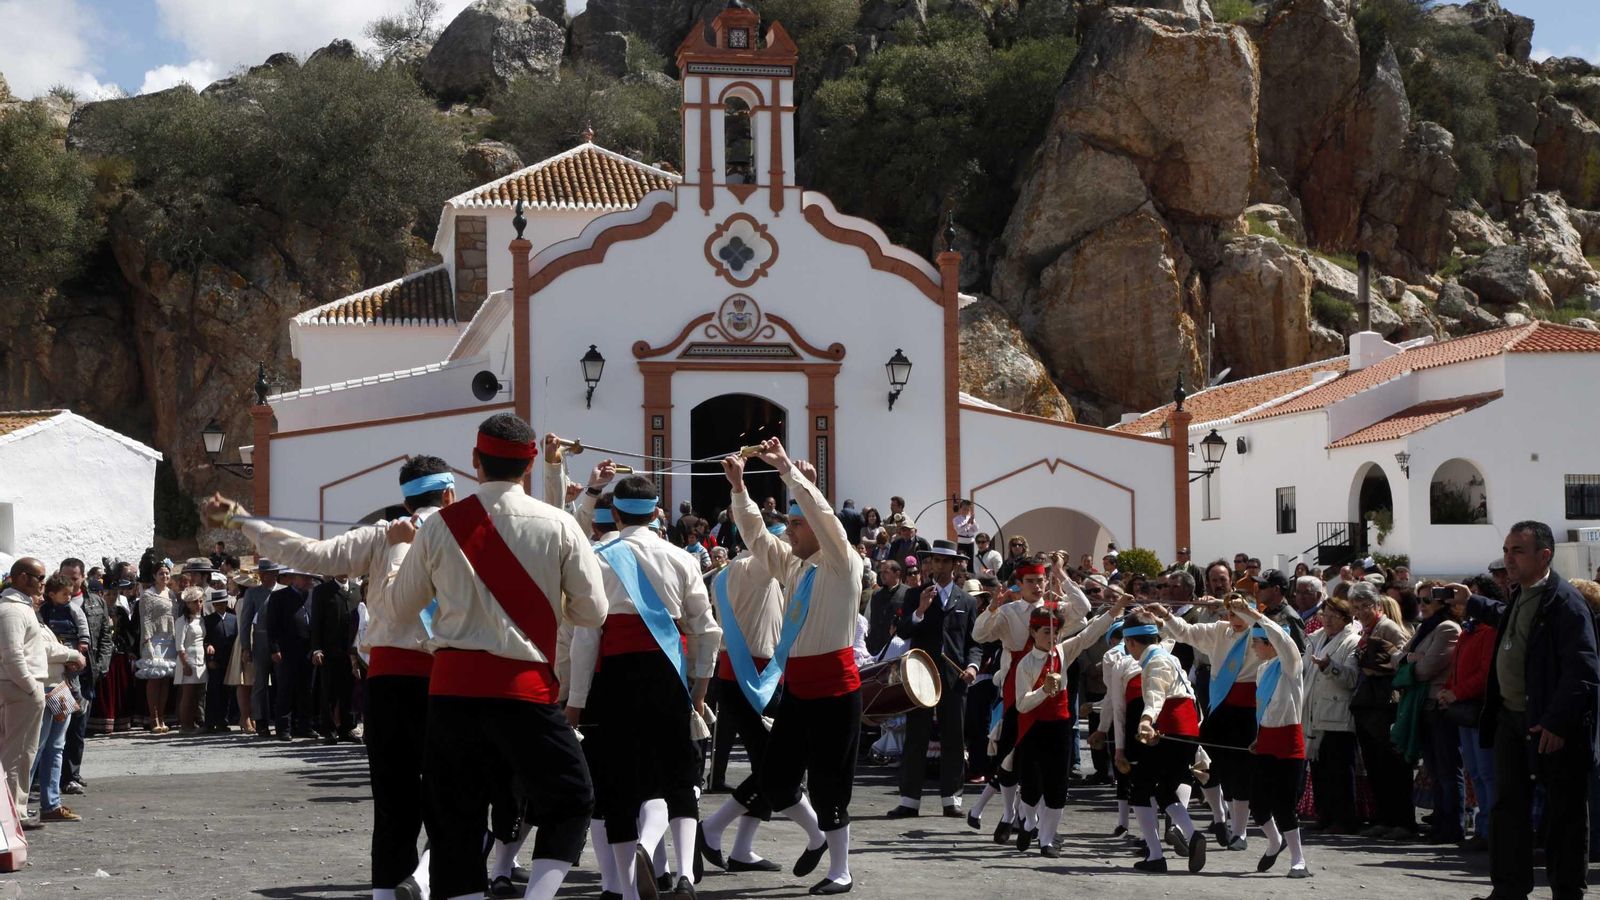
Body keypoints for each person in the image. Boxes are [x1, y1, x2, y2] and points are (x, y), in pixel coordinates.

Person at [208, 453, 459, 900]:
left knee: (392, 796)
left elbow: (308, 554)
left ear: (405, 502)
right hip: (452, 679)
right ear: (448, 494)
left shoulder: (383, 536)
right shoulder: (466, 533)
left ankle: (390, 890)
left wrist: (242, 520)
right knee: (456, 795)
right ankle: (426, 878)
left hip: (388, 678)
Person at [385, 413, 607, 900]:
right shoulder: (561, 524)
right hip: (524, 692)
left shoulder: (440, 527)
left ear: (474, 461)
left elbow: (400, 608)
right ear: (529, 467)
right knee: (571, 799)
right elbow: (593, 611)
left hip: (451, 693)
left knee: (454, 818)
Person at [565, 472, 720, 900]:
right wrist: (700, 688)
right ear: (656, 513)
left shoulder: (597, 556)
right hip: (668, 675)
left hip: (616, 677)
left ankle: (628, 891)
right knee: (678, 774)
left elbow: (586, 637)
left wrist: (575, 702)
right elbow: (706, 631)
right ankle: (686, 874)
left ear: (614, 514)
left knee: (618, 784)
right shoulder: (683, 558)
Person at [724, 439, 864, 896]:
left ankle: (840, 870)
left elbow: (827, 522)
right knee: (776, 778)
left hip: (836, 689)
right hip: (800, 689)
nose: (788, 533)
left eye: (795, 526)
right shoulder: (795, 564)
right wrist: (739, 489)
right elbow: (756, 537)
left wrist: (791, 474)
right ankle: (820, 839)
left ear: (814, 530)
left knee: (830, 782)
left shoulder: (843, 563)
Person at [1456, 521, 1600, 900]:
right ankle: (1508, 889)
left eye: (1517, 551)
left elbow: (1583, 669)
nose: (1509, 559)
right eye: (1506, 550)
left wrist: (1557, 722)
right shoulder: (1522, 594)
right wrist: (1469, 602)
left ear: (1545, 556)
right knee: (1508, 808)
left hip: (1551, 727)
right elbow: (1508, 620)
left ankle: (1567, 893)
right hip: (1512, 720)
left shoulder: (1565, 602)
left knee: (1564, 814)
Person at [702, 515, 790, 875]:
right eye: (785, 539)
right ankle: (714, 829)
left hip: (744, 672)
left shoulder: (729, 572)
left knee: (767, 764)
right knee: (777, 765)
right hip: (757, 675)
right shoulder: (757, 567)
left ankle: (741, 848)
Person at [1011, 592, 1128, 856]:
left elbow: (1089, 634)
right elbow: (1021, 704)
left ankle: (1047, 840)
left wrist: (1116, 608)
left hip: (1060, 727)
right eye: (1045, 633)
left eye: (1055, 633)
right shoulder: (1025, 665)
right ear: (1032, 632)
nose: (1051, 638)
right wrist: (1043, 690)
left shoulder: (1063, 651)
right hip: (1033, 729)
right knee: (1031, 788)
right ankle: (1028, 822)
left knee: (1057, 786)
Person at [1151, 593, 1262, 850]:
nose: (1234, 619)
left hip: (1247, 711)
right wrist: (1167, 615)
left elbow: (1276, 633)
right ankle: (1219, 817)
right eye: (1231, 613)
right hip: (1220, 707)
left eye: (1240, 612)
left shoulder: (1260, 632)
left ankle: (1240, 832)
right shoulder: (1219, 631)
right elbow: (1186, 633)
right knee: (1204, 765)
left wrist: (1253, 616)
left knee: (1240, 774)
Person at [890, 540, 982, 819]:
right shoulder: (914, 594)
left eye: (944, 561)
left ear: (955, 565)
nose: (938, 566)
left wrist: (974, 667)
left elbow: (974, 641)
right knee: (915, 735)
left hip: (954, 678)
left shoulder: (966, 601)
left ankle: (951, 799)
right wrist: (920, 610)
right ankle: (909, 800)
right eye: (934, 561)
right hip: (921, 675)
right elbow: (903, 632)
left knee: (954, 738)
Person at [1231, 599, 1312, 878]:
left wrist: (1254, 614)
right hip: (1266, 741)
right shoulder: (1263, 670)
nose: (1254, 647)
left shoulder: (1290, 665)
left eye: (1258, 642)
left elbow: (1284, 640)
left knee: (1284, 805)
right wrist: (1259, 736)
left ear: (1271, 643)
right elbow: (1266, 709)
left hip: (1289, 743)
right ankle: (1274, 841)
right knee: (1258, 803)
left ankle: (1298, 859)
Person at [0, 559, 84, 827]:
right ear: (23, 578)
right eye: (40, 577)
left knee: (25, 753)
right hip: (23, 688)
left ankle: (17, 810)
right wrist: (30, 686)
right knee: (19, 754)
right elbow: (12, 655)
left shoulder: (21, 608)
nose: (43, 583)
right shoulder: (12, 610)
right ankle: (14, 813)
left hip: (28, 687)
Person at [1123, 618, 1207, 874]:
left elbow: (1155, 696)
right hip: (1185, 729)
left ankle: (1156, 856)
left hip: (1171, 729)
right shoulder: (1169, 657)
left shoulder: (1156, 661)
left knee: (1139, 790)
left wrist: (1147, 720)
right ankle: (1192, 836)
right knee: (1165, 791)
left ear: (1130, 642)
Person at [1347, 581, 1413, 840]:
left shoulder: (1387, 627)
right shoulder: (1365, 629)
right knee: (1376, 766)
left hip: (1385, 704)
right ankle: (1385, 819)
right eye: (1356, 607)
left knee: (1392, 766)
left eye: (1366, 606)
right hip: (1368, 704)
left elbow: (1406, 654)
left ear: (1376, 605)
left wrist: (1385, 667)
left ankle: (1403, 822)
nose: (1361, 611)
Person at [1439, 575, 1499, 851]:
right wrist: (1449, 690)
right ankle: (1484, 828)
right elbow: (1458, 667)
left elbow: (1485, 673)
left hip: (1481, 709)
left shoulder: (1489, 630)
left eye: (1473, 595)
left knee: (1487, 773)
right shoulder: (1470, 629)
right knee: (1475, 771)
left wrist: (1457, 692)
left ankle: (1490, 830)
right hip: (1465, 710)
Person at [1407, 585, 1463, 843]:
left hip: (1439, 706)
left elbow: (1426, 669)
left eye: (1428, 599)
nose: (1422, 604)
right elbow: (1399, 657)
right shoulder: (1424, 627)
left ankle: (1452, 825)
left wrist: (1412, 660)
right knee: (1434, 768)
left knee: (1447, 769)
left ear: (1443, 602)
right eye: (1419, 599)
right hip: (1424, 705)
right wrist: (1412, 658)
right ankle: (1440, 821)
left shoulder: (1448, 628)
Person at [33, 572, 89, 822]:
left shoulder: (40, 619)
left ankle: (51, 803)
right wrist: (70, 654)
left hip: (58, 686)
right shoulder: (31, 617)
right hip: (45, 686)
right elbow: (41, 649)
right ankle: (19, 804)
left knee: (56, 746)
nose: (39, 596)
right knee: (37, 747)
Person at [1303, 595, 1361, 834]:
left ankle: (1344, 818)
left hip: (1338, 714)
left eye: (1332, 616)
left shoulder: (1352, 642)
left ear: (1345, 619)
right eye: (1324, 615)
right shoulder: (1315, 639)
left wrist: (1330, 667)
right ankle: (1325, 815)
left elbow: (1351, 678)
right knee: (1319, 769)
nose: (1326, 620)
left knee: (1339, 770)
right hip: (1315, 711)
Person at [58, 558, 109, 798]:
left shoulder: (96, 602)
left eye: (74, 578)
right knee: (55, 728)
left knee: (78, 727)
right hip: (58, 675)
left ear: (82, 578)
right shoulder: (50, 605)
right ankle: (49, 776)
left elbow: (106, 637)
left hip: (87, 675)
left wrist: (101, 666)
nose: (69, 583)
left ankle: (71, 775)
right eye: (65, 577)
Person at [266, 570, 317, 740]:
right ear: (294, 579)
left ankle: (305, 726)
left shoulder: (311, 595)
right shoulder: (279, 597)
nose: (309, 580)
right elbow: (272, 624)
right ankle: (283, 728)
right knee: (286, 689)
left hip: (308, 650)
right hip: (287, 649)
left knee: (306, 690)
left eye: (310, 577)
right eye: (305, 577)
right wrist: (274, 648)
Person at [310, 575, 360, 744]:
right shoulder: (322, 591)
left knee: (349, 691)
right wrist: (317, 648)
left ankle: (347, 728)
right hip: (330, 650)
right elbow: (316, 621)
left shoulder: (357, 590)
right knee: (329, 692)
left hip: (352, 650)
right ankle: (329, 730)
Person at [237, 561, 282, 739]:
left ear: (275, 574)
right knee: (260, 684)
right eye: (261, 573)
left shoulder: (283, 591)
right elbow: (246, 622)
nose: (263, 577)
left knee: (281, 684)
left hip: (280, 642)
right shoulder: (253, 593)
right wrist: (246, 646)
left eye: (267, 573)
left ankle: (282, 721)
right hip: (261, 640)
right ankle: (261, 721)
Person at [135, 563, 177, 734]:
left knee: (165, 678)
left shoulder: (172, 594)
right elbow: (145, 620)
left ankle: (163, 717)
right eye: (161, 573)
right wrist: (147, 641)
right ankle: (154, 718)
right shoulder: (148, 595)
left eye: (167, 573)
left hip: (170, 639)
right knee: (154, 678)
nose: (165, 577)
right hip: (154, 639)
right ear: (154, 576)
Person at [171, 587, 207, 733]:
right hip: (188, 659)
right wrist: (185, 663)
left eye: (200, 601)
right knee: (188, 693)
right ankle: (185, 725)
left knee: (198, 693)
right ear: (188, 604)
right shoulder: (182, 621)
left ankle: (194, 722)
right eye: (194, 602)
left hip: (201, 658)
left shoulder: (201, 620)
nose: (198, 604)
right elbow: (179, 645)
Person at [203, 591, 238, 733]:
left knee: (227, 692)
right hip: (215, 661)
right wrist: (210, 658)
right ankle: (210, 722)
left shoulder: (233, 619)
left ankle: (223, 721)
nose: (220, 606)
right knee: (213, 692)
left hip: (230, 660)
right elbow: (205, 640)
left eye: (222, 603)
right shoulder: (208, 620)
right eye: (216, 604)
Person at [1252, 569, 1307, 652]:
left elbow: (1300, 653)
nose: (1258, 590)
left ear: (1276, 589)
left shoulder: (1290, 617)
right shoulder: (1266, 612)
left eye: (1262, 586)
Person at [865, 561, 907, 657]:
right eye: (881, 572)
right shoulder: (876, 594)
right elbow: (870, 619)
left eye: (886, 572)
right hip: (873, 647)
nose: (882, 575)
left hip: (893, 648)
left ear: (897, 573)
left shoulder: (907, 593)